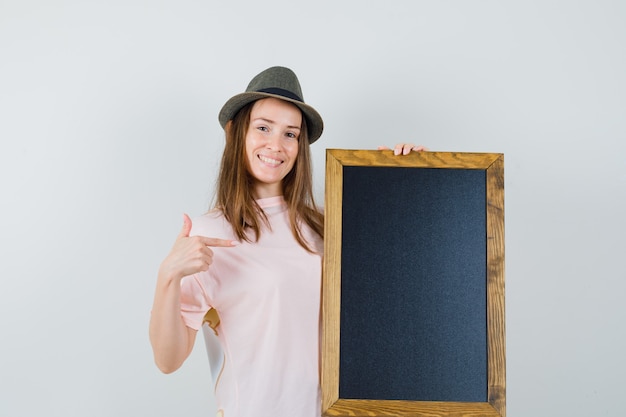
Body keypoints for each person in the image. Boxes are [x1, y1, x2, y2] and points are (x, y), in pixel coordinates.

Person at [149, 66, 426, 417]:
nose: (276, 145)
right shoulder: (210, 235)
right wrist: (168, 276)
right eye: (263, 128)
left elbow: (405, 279)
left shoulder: (329, 225)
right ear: (235, 132)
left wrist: (416, 176)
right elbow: (167, 360)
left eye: (290, 134)